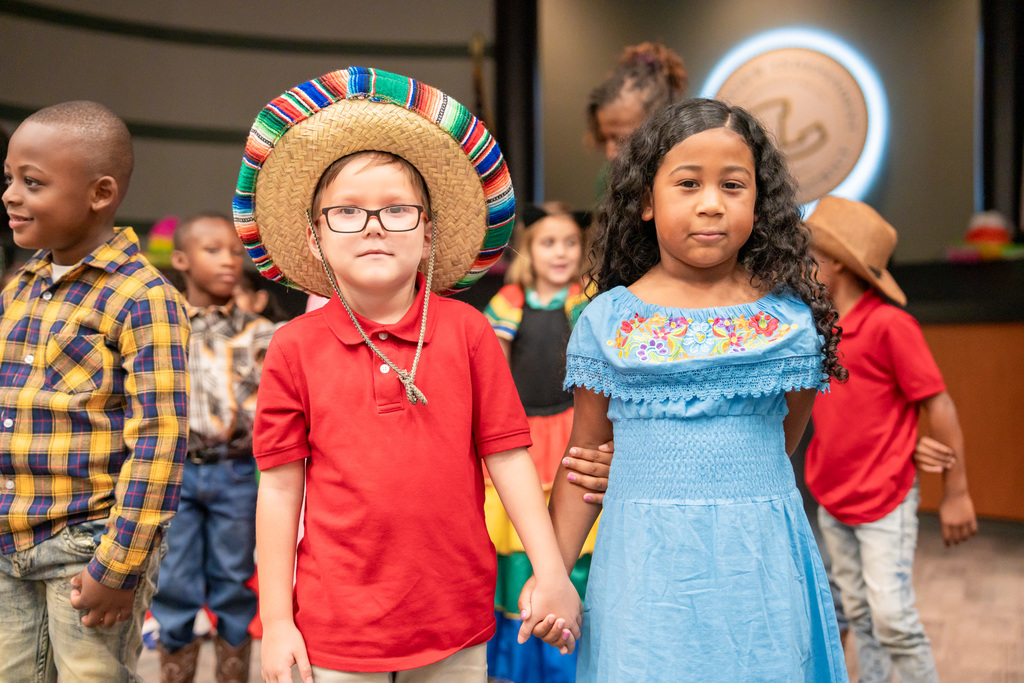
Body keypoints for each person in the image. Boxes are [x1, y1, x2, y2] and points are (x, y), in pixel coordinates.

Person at [234, 67, 582, 683]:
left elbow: (507, 458)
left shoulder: (470, 331)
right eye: (347, 211)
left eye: (397, 210)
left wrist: (550, 569)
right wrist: (278, 620)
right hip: (334, 629)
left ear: (427, 233)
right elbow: (281, 490)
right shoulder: (292, 347)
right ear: (315, 237)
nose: (373, 224)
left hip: (455, 617)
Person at [520, 97, 851, 681]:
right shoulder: (608, 324)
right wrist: (552, 576)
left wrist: (681, 464)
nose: (711, 203)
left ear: (759, 202)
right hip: (645, 575)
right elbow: (584, 462)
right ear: (646, 201)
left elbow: (780, 444)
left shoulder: (789, 327)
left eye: (733, 185)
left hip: (759, 573)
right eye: (688, 183)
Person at [0, 101, 190, 681]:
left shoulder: (144, 298)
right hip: (9, 537)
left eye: (32, 183)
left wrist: (120, 565)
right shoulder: (19, 287)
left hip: (88, 546)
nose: (10, 195)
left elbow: (160, 439)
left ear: (100, 193)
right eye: (9, 179)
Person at [803, 196, 978, 683]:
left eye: (809, 255)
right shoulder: (819, 329)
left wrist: (957, 492)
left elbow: (939, 405)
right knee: (859, 615)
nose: (801, 265)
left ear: (838, 262)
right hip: (833, 496)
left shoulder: (890, 325)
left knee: (893, 620)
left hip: (885, 497)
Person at [149, 212, 276, 683]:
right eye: (213, 250)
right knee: (174, 581)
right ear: (182, 260)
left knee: (234, 579)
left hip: (235, 471)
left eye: (236, 252)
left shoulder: (261, 332)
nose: (229, 260)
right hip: (175, 474)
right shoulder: (162, 329)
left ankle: (232, 674)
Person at [483, 203, 591, 683]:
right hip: (522, 435)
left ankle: (570, 653)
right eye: (549, 243)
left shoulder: (584, 299)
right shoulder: (509, 300)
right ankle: (519, 659)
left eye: (570, 243)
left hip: (570, 429)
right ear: (528, 249)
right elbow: (495, 370)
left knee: (575, 537)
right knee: (515, 541)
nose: (561, 252)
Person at [587, 42, 688, 163]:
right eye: (604, 139)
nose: (610, 154)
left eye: (621, 140)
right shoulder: (612, 172)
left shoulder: (685, 168)